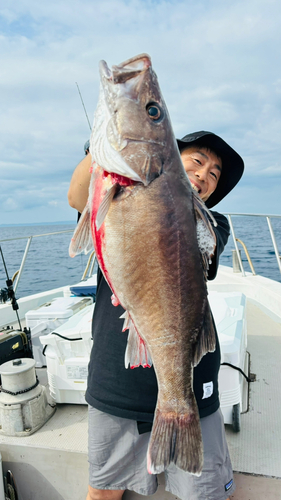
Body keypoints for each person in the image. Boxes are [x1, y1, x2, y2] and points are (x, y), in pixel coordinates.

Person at [68, 131, 244, 500]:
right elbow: (75, 195)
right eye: (196, 161)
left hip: (191, 383)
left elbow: (202, 246)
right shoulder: (116, 201)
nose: (204, 175)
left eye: (214, 174)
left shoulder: (215, 223)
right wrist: (107, 144)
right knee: (103, 490)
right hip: (117, 377)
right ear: (167, 158)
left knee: (207, 493)